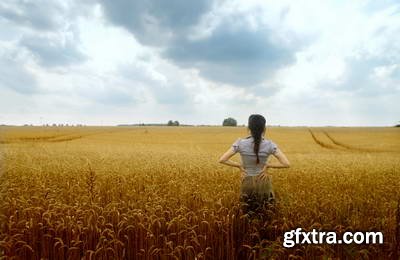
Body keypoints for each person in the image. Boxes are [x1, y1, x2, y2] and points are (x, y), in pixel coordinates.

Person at [218, 114, 290, 216]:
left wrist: (239, 166)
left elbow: (222, 159)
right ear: (264, 128)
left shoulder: (240, 143)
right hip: (263, 182)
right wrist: (268, 165)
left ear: (249, 128)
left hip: (247, 181)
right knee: (266, 212)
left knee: (247, 212)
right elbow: (286, 164)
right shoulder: (270, 145)